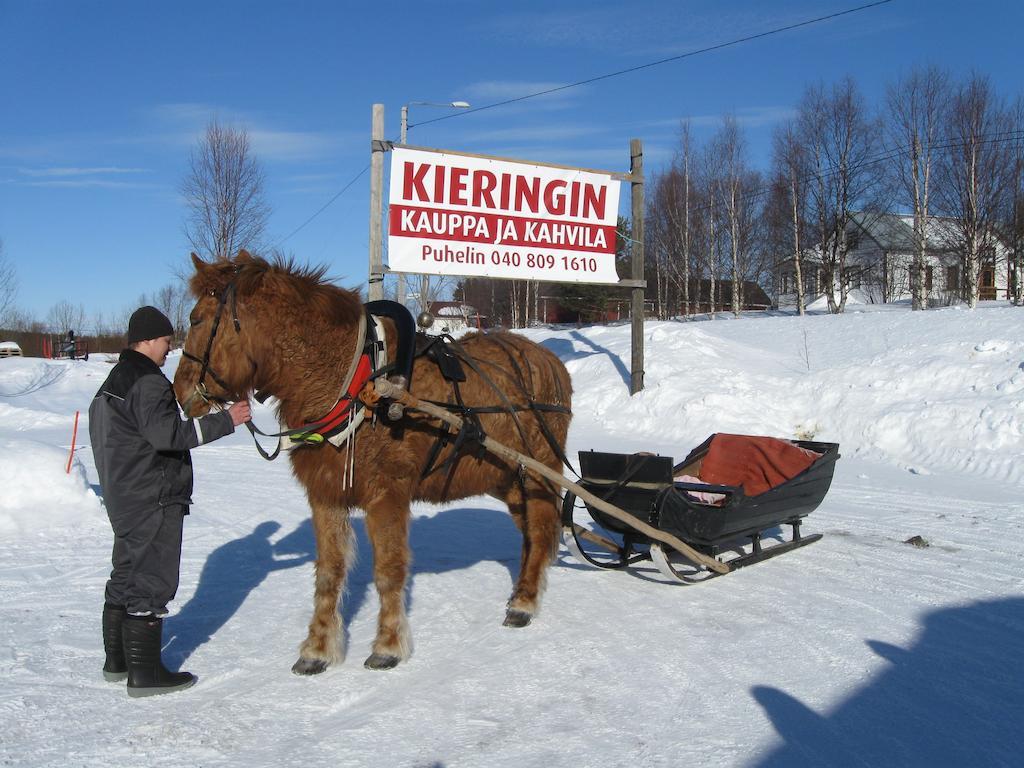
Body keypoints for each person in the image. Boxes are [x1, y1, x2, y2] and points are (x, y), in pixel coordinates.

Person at [89, 305, 251, 697]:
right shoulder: (147, 381)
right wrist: (227, 420)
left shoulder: (115, 379)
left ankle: (118, 662)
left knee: (126, 573)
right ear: (147, 339)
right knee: (152, 581)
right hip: (153, 496)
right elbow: (168, 436)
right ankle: (145, 676)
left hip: (124, 494)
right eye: (165, 340)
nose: (169, 348)